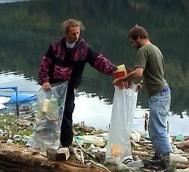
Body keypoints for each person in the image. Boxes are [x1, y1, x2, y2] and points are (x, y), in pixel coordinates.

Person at [38, 18, 117, 148]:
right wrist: (44, 80)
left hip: (68, 88)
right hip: (52, 87)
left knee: (67, 114)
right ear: (66, 34)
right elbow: (45, 63)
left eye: (78, 33)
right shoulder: (55, 46)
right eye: (73, 33)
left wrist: (114, 70)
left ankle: (65, 146)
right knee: (49, 115)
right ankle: (47, 143)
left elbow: (98, 61)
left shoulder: (83, 48)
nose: (76, 36)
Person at [114, 25, 172, 171]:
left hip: (159, 95)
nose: (132, 45)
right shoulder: (155, 49)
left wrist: (122, 79)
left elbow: (139, 72)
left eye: (132, 42)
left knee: (158, 129)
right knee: (155, 128)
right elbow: (153, 73)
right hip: (162, 92)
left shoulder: (143, 50)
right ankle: (159, 157)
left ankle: (166, 162)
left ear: (138, 38)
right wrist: (141, 84)